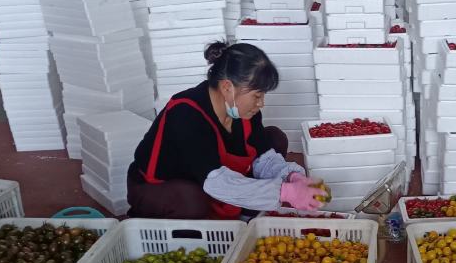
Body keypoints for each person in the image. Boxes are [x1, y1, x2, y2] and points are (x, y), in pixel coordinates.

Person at [127, 41, 327, 219]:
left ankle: (246, 211)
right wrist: (285, 193)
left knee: (274, 138)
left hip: (207, 179)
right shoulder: (186, 113)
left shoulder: (243, 111)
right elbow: (216, 182)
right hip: (160, 187)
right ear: (227, 88)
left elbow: (263, 156)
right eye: (257, 96)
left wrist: (291, 177)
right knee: (191, 200)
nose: (261, 103)